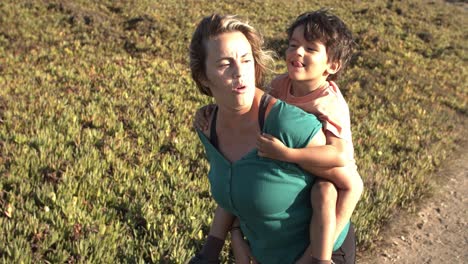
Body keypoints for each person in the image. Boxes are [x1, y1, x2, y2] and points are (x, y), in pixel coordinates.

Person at [194, 10, 363, 263]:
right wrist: (234, 237)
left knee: (324, 192)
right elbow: (239, 182)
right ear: (204, 77)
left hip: (327, 192)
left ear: (333, 65)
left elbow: (348, 174)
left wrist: (288, 154)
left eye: (246, 60)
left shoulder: (327, 105)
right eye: (293, 45)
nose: (240, 73)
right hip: (266, 252)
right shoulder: (277, 88)